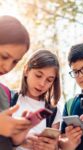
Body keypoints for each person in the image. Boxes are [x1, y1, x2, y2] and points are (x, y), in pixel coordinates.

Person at [12, 50, 62, 150]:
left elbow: (55, 145)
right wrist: (18, 141)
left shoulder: (53, 112)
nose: (42, 84)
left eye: (49, 80)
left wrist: (52, 147)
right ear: (26, 70)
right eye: (38, 75)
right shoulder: (8, 98)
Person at [0, 15, 31, 150]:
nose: (7, 67)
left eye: (15, 62)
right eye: (4, 56)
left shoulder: (4, 93)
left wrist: (15, 140)